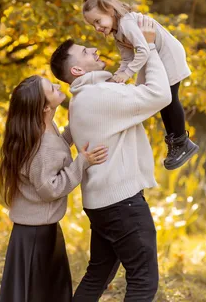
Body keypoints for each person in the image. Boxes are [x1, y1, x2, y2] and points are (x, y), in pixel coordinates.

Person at [50, 21, 171, 301]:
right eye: (84, 51)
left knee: (97, 276)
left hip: (104, 204)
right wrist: (148, 48)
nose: (93, 48)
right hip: (122, 204)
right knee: (143, 282)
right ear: (76, 70)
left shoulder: (89, 95)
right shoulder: (98, 95)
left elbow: (140, 96)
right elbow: (160, 95)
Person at [0, 75, 108, 302]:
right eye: (51, 88)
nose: (58, 86)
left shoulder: (43, 130)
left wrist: (74, 125)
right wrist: (82, 162)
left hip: (37, 231)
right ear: (45, 106)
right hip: (36, 236)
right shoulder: (42, 145)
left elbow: (58, 147)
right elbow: (49, 189)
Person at [82, 0, 199, 170]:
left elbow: (144, 50)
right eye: (93, 25)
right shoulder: (117, 32)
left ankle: (181, 142)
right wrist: (117, 78)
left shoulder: (127, 23)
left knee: (169, 98)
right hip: (158, 57)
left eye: (98, 21)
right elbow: (127, 59)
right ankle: (177, 141)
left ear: (110, 10)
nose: (97, 28)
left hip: (168, 55)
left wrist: (126, 74)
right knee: (163, 101)